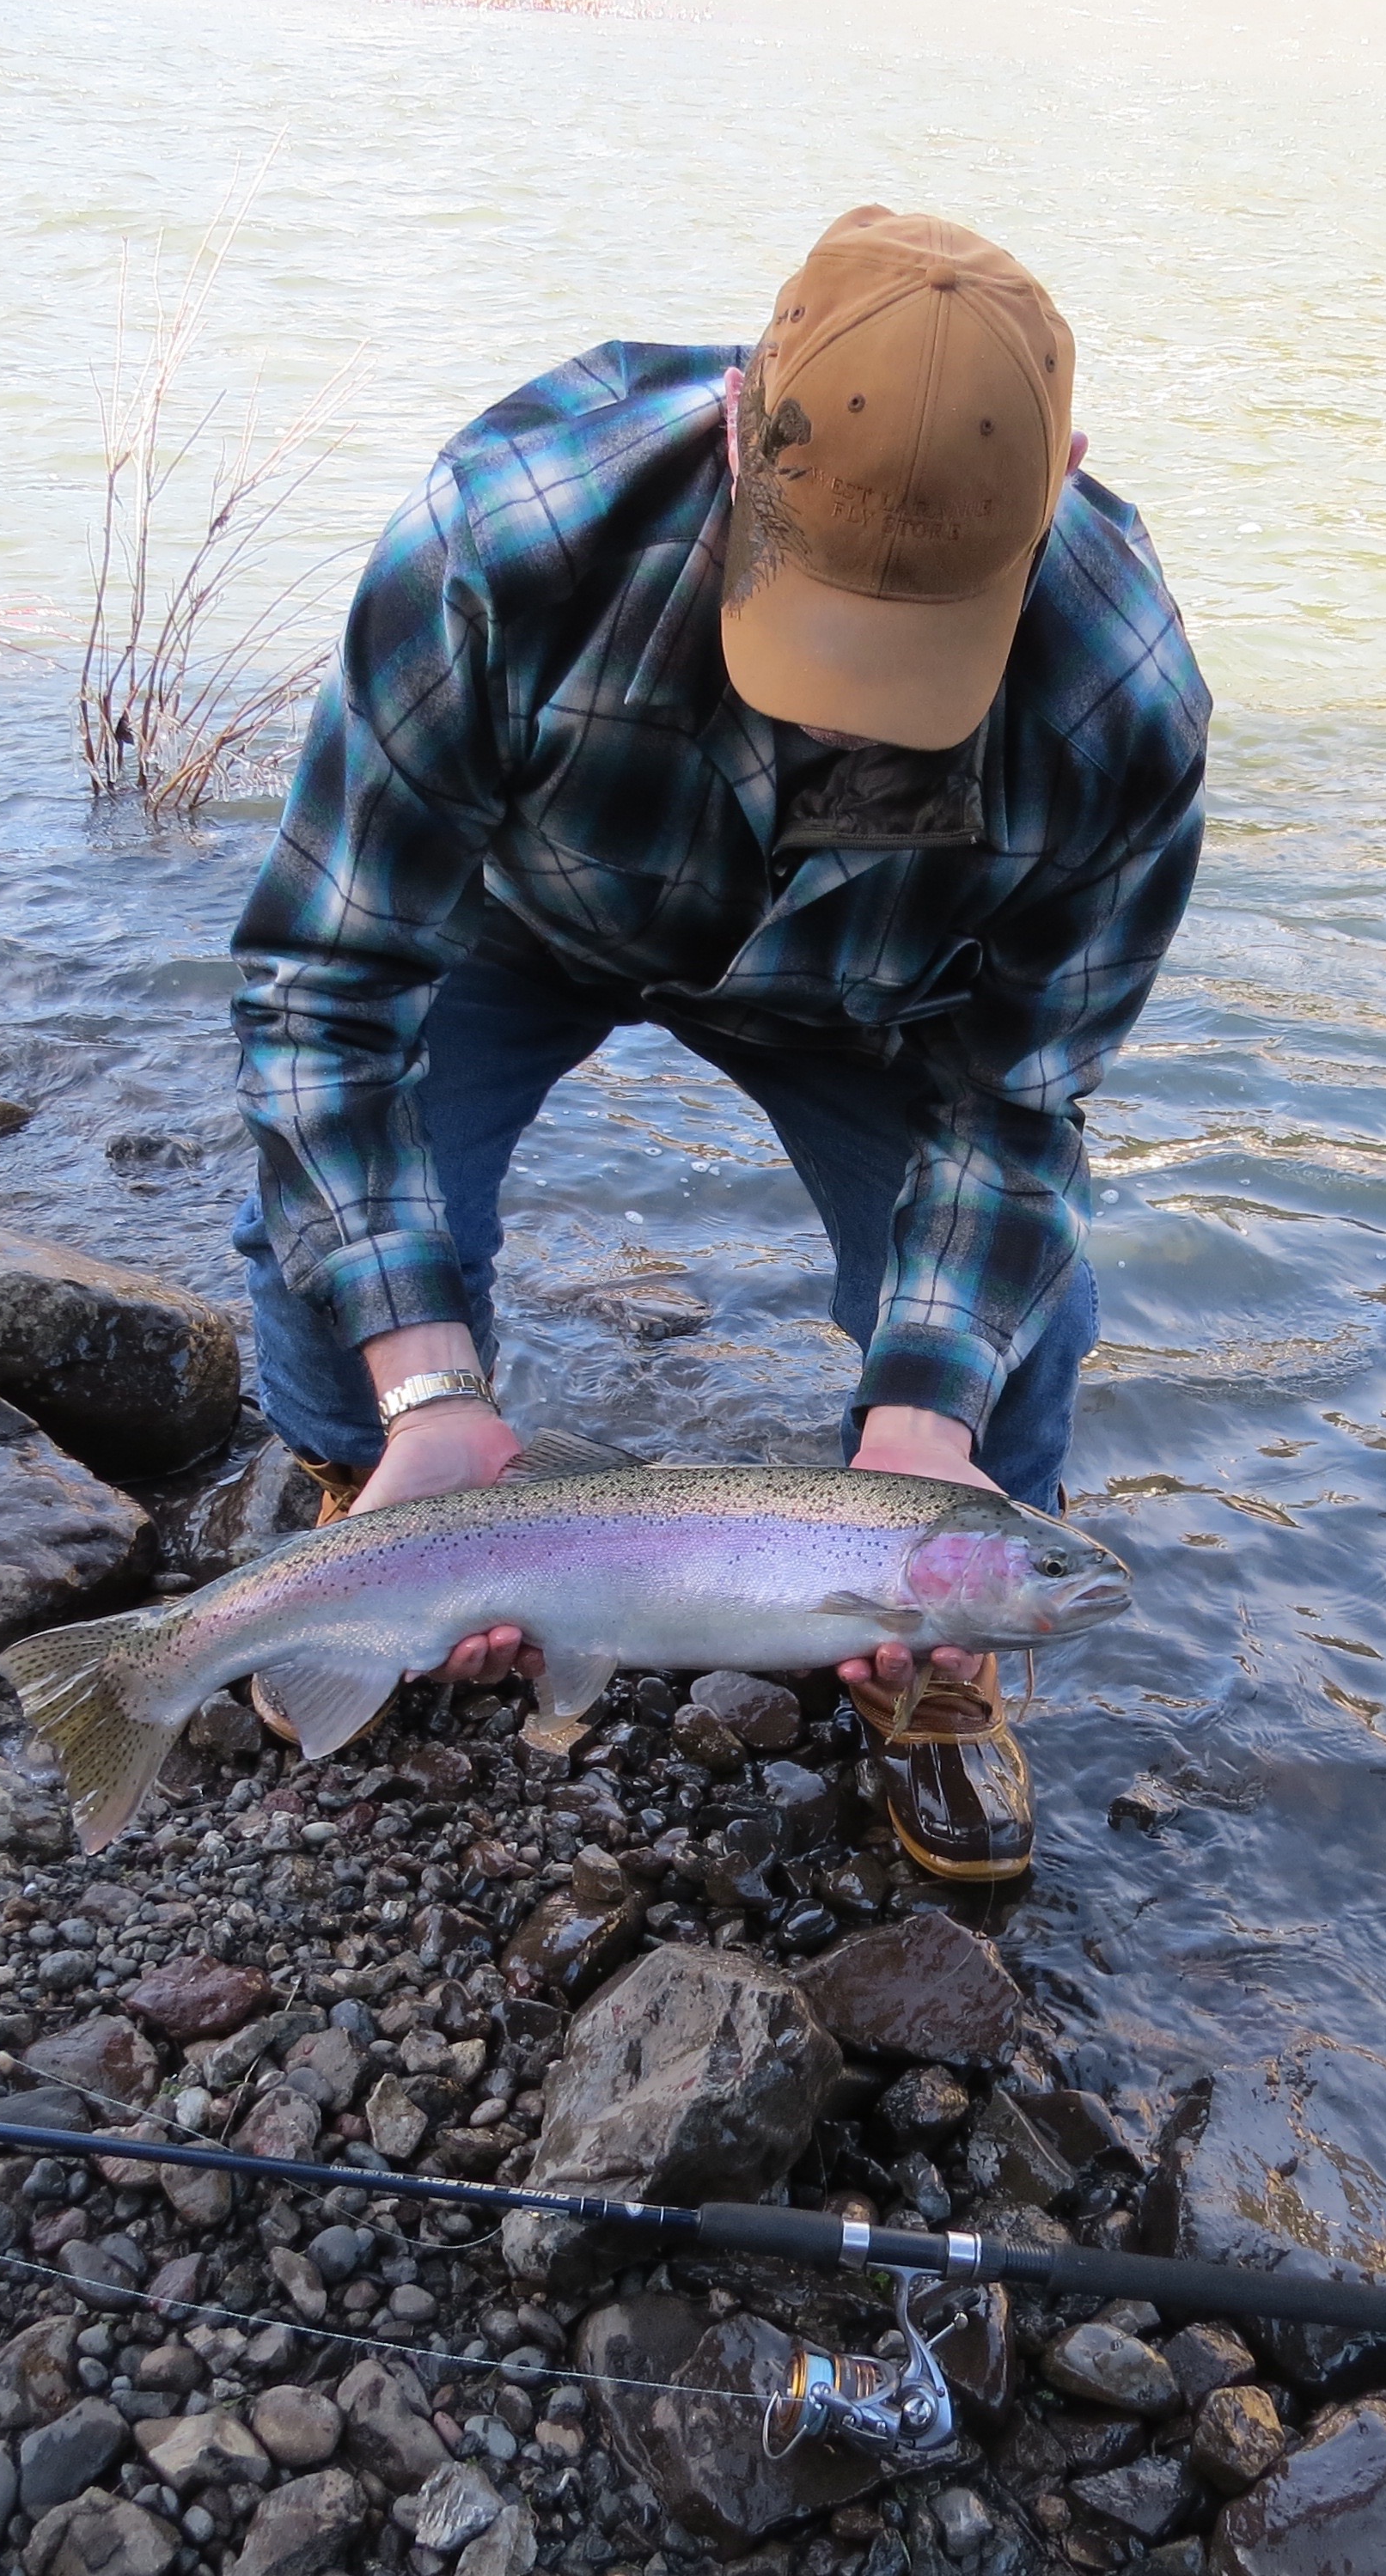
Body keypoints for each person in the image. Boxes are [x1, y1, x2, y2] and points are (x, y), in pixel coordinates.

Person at [228, 205, 1209, 1880]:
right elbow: (326, 996)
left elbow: (1014, 1104)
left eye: (906, 658)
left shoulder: (1120, 704)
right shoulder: (500, 541)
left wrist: (921, 1424)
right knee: (335, 1243)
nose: (836, 707)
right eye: (817, 625)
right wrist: (431, 1386)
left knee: (1022, 1325)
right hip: (519, 915)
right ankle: (372, 1509)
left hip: (860, 993)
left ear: (1063, 481)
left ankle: (938, 1661)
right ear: (743, 418)